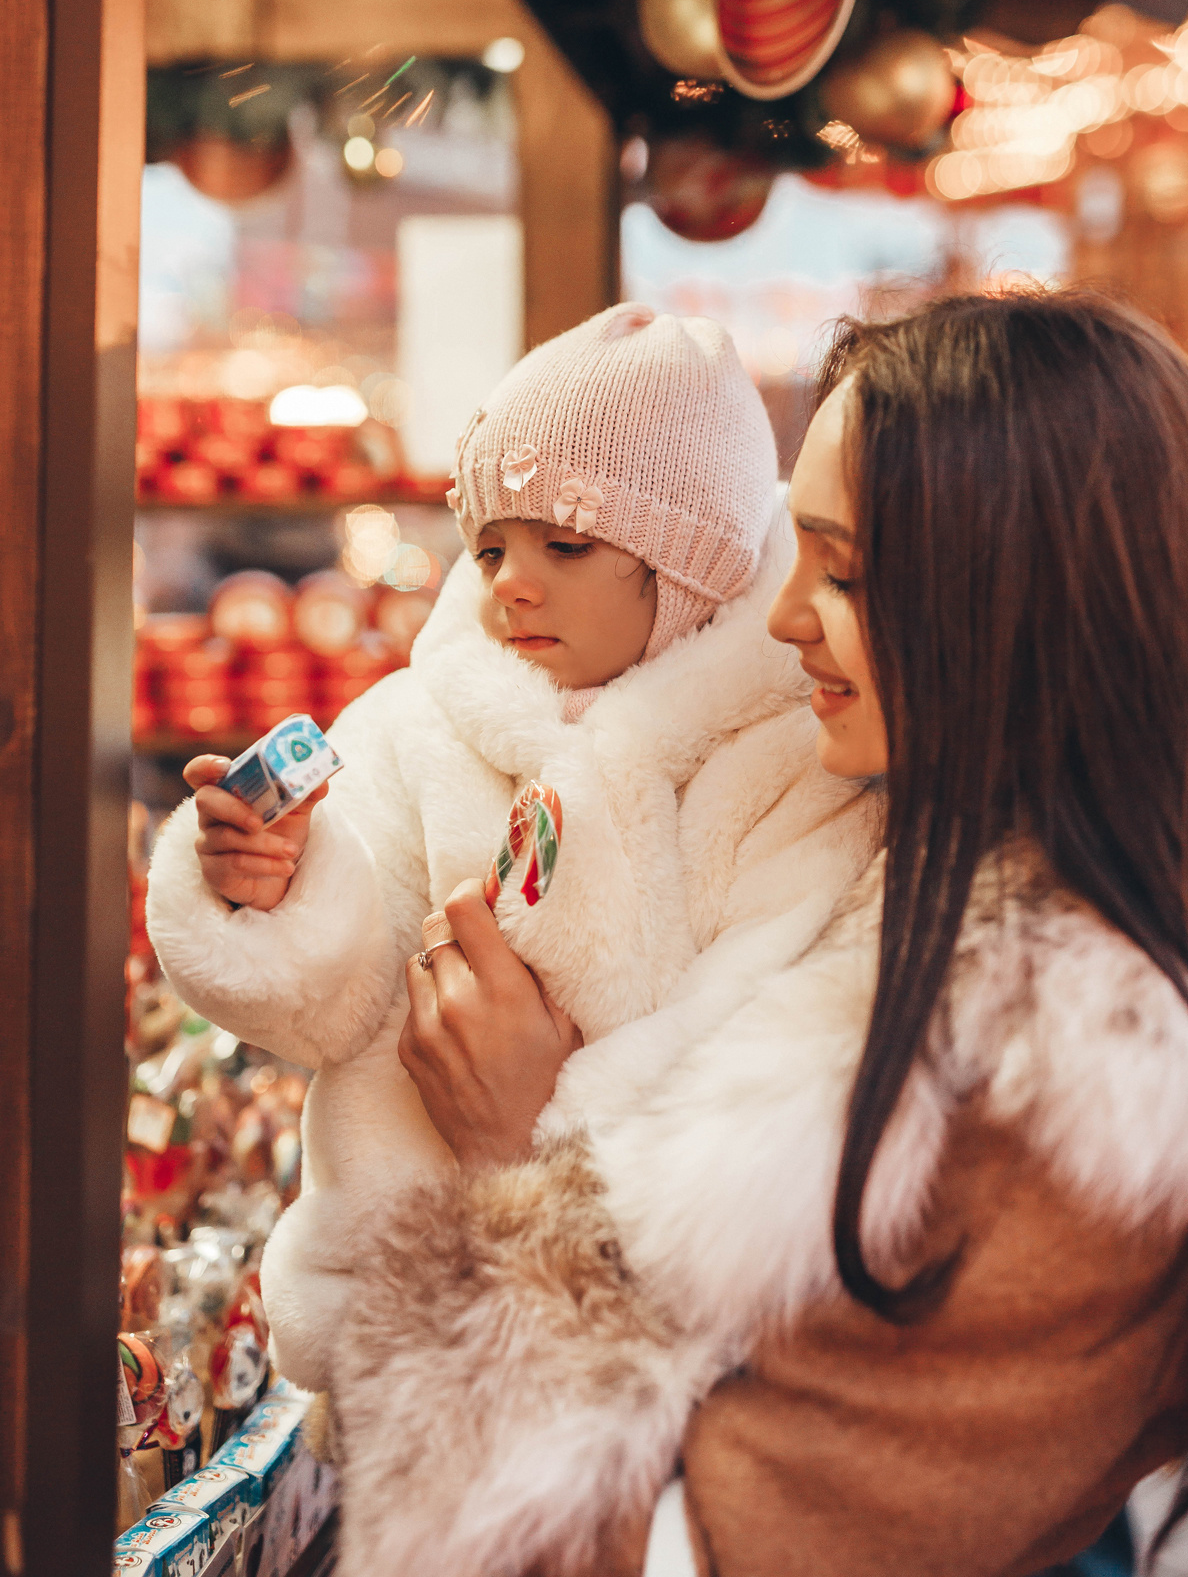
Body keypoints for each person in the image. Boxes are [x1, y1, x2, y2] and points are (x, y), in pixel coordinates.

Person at [333, 292, 1188, 1577]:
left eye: (840, 570)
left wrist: (517, 1164)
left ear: (1012, 597)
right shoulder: (906, 873)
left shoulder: (1091, 1091)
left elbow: (693, 1548)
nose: (783, 621)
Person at [146, 303, 882, 1394]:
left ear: (692, 566)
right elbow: (325, 1009)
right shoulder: (419, 725)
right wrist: (275, 891)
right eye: (487, 546)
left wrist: (542, 1128)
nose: (510, 583)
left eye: (565, 544)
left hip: (643, 1344)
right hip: (389, 1314)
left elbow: (754, 1049)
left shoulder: (790, 757)